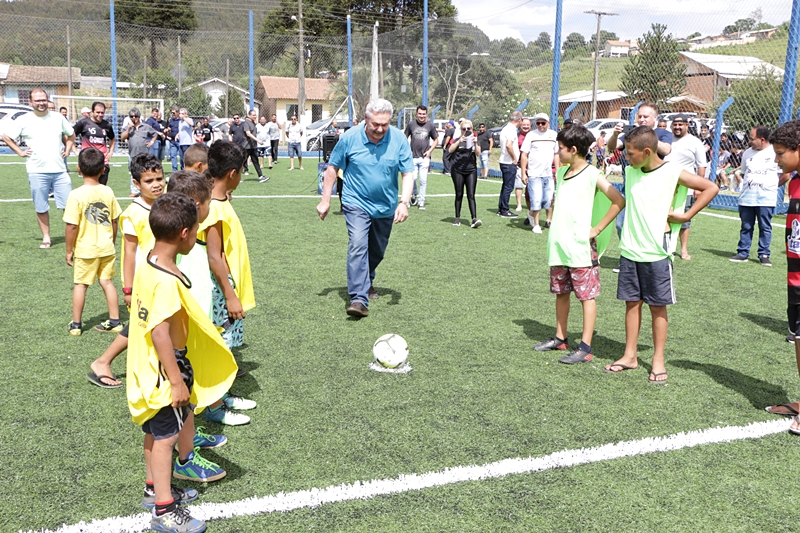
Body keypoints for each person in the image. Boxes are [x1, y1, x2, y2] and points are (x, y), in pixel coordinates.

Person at [127, 192, 237, 532]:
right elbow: (160, 331)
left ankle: (152, 489)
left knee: (154, 430)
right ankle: (164, 510)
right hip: (165, 368)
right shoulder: (167, 280)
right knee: (166, 438)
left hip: (147, 364)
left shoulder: (150, 260)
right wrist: (176, 380)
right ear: (186, 234)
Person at [603, 126, 718, 383]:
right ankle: (630, 355)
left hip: (657, 251)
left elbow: (711, 187)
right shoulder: (632, 171)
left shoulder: (672, 172)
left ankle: (658, 359)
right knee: (631, 303)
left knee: (657, 306)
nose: (626, 158)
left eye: (630, 154)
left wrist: (687, 215)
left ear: (646, 152)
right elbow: (614, 149)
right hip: (630, 249)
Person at [533, 126, 624, 363]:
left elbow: (618, 200)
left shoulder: (593, 174)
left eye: (561, 148)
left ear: (573, 150)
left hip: (581, 248)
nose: (558, 152)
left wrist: (596, 229)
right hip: (559, 246)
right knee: (561, 293)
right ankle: (560, 338)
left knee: (586, 297)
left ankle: (585, 347)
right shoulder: (562, 173)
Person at [316, 98, 414, 318]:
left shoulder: (398, 139)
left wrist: (404, 202)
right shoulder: (350, 137)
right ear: (365, 119)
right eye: (375, 124)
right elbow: (332, 168)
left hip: (385, 205)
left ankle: (367, 278)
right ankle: (359, 299)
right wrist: (326, 200)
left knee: (377, 250)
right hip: (355, 201)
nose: (380, 129)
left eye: (385, 125)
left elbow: (407, 173)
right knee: (358, 243)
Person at [86, 154, 165, 389]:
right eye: (149, 181)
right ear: (136, 183)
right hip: (145, 281)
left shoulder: (166, 203)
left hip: (165, 278)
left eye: (159, 178)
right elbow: (129, 254)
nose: (157, 184)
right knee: (142, 324)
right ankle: (103, 362)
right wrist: (128, 289)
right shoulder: (134, 213)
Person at [201, 141, 257, 384]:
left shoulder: (218, 201)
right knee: (221, 334)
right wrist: (231, 294)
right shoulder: (214, 209)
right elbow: (215, 256)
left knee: (227, 335)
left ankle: (225, 374)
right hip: (221, 287)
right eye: (241, 171)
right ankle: (218, 395)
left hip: (227, 283)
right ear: (232, 173)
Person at [1, 87, 75, 249]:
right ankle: (46, 238)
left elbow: (71, 134)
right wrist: (20, 151)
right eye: (37, 100)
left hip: (60, 170)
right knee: (41, 206)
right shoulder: (23, 120)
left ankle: (73, 238)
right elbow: (6, 136)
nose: (41, 103)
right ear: (30, 102)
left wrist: (68, 148)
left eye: (43, 100)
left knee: (69, 206)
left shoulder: (57, 117)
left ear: (47, 100)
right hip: (36, 170)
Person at [763, 121, 800, 421]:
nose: (777, 160)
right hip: (795, 275)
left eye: (780, 154)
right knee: (799, 335)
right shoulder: (794, 182)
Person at [63, 148, 123, 336]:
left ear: (78, 168)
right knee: (107, 282)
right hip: (106, 247)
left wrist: (68, 250)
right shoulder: (108, 191)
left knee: (81, 285)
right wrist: (111, 240)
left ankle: (76, 325)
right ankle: (115, 321)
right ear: (103, 170)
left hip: (85, 249)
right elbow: (114, 220)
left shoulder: (76, 195)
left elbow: (71, 226)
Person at [729, 126, 785, 266]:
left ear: (762, 139)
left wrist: (771, 186)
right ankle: (743, 253)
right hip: (747, 197)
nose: (749, 141)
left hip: (766, 198)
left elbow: (786, 175)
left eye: (752, 139)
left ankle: (764, 254)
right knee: (746, 226)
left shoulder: (775, 152)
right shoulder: (747, 153)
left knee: (765, 226)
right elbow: (743, 173)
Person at [664, 114, 707, 261]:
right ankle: (665, 247)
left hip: (686, 188)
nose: (677, 127)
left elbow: (701, 166)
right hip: (666, 186)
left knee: (683, 220)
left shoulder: (695, 142)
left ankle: (683, 249)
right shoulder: (666, 140)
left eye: (680, 124)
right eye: (675, 125)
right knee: (664, 217)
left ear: (687, 125)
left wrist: (698, 187)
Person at [520, 113, 558, 233]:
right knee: (536, 199)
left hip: (548, 173)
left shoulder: (553, 135)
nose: (540, 125)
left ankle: (531, 213)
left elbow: (556, 154)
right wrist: (523, 173)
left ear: (548, 123)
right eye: (538, 123)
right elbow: (524, 154)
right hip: (534, 173)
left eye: (543, 123)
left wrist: (558, 170)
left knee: (547, 201)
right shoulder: (531, 135)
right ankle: (536, 225)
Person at [447, 119, 481, 228]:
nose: (466, 130)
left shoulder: (474, 140)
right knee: (459, 194)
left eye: (468, 128)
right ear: (461, 130)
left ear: (472, 129)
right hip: (457, 170)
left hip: (471, 170)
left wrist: (475, 143)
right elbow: (450, 150)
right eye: (464, 129)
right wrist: (459, 141)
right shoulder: (457, 139)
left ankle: (474, 218)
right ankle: (457, 218)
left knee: (471, 195)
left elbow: (478, 153)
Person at [404, 105, 438, 211]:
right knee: (412, 179)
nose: (421, 116)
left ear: (426, 114)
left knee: (423, 180)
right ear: (416, 114)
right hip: (412, 157)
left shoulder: (430, 126)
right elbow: (404, 137)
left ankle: (421, 201)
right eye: (420, 114)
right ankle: (413, 193)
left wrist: (429, 151)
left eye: (423, 114)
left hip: (424, 158)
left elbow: (436, 140)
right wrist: (406, 151)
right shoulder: (411, 124)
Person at [73, 101, 116, 185]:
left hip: (103, 160)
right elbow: (71, 136)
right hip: (88, 161)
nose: (100, 115)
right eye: (97, 112)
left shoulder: (107, 125)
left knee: (102, 187)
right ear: (92, 112)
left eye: (102, 113)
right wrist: (75, 151)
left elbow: (113, 139)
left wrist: (111, 152)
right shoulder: (83, 123)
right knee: (90, 187)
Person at [120, 107, 159, 197]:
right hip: (133, 154)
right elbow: (122, 137)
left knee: (145, 171)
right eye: (132, 116)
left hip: (144, 154)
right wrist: (128, 130)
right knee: (133, 172)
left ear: (139, 116)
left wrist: (151, 142)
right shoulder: (127, 128)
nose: (134, 118)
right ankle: (134, 191)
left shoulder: (145, 126)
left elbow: (154, 134)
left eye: (135, 116)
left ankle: (146, 188)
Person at [497, 111, 522, 218]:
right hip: (508, 162)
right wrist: (514, 158)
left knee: (505, 186)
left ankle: (501, 208)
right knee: (508, 186)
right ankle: (504, 210)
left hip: (504, 161)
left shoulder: (506, 128)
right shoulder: (511, 129)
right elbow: (509, 145)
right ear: (519, 120)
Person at [514, 118, 532, 212]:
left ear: (530, 126)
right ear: (520, 125)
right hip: (519, 165)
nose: (525, 127)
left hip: (533, 166)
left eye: (527, 125)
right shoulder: (516, 136)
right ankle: (519, 205)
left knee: (532, 187)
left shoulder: (534, 135)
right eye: (524, 125)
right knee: (519, 185)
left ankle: (532, 205)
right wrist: (515, 161)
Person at [243, 109, 265, 181]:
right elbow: (248, 133)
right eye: (253, 115)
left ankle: (261, 176)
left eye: (255, 115)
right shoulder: (246, 123)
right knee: (241, 162)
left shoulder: (253, 123)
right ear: (249, 115)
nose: (255, 116)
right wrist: (258, 140)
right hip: (246, 147)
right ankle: (236, 178)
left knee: (255, 161)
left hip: (253, 146)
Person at [166, 107, 182, 172]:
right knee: (173, 156)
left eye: (174, 112)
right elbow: (169, 127)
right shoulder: (171, 119)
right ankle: (174, 171)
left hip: (180, 141)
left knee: (181, 156)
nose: (172, 114)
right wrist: (167, 129)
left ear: (178, 113)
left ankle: (182, 169)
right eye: (172, 112)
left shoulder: (181, 120)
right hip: (172, 141)